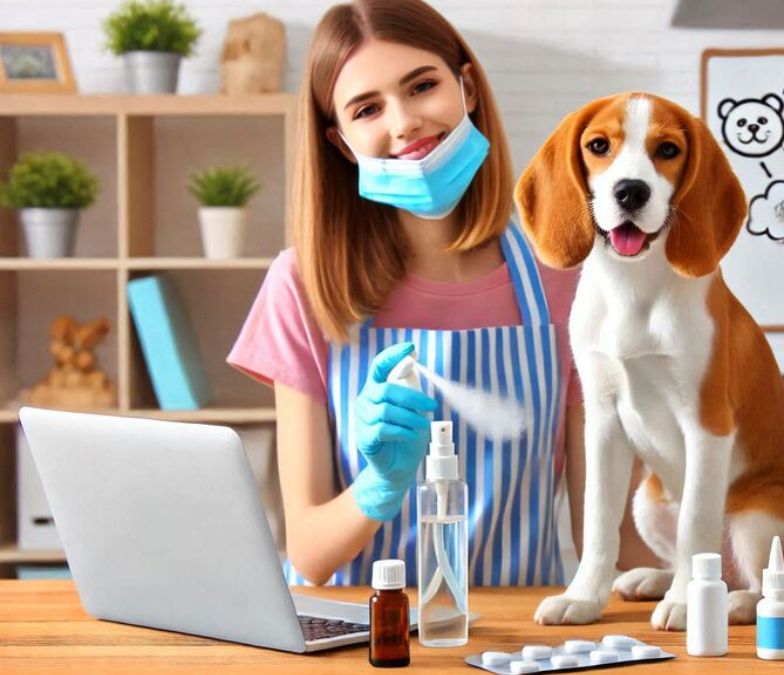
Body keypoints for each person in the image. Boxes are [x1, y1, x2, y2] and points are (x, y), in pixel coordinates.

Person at [228, 0, 650, 587]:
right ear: (343, 144)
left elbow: (607, 540)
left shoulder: (565, 281)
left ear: (467, 87)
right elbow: (310, 554)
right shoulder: (305, 287)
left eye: (422, 86)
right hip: (354, 637)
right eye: (367, 108)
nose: (403, 122)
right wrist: (377, 489)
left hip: (509, 644)